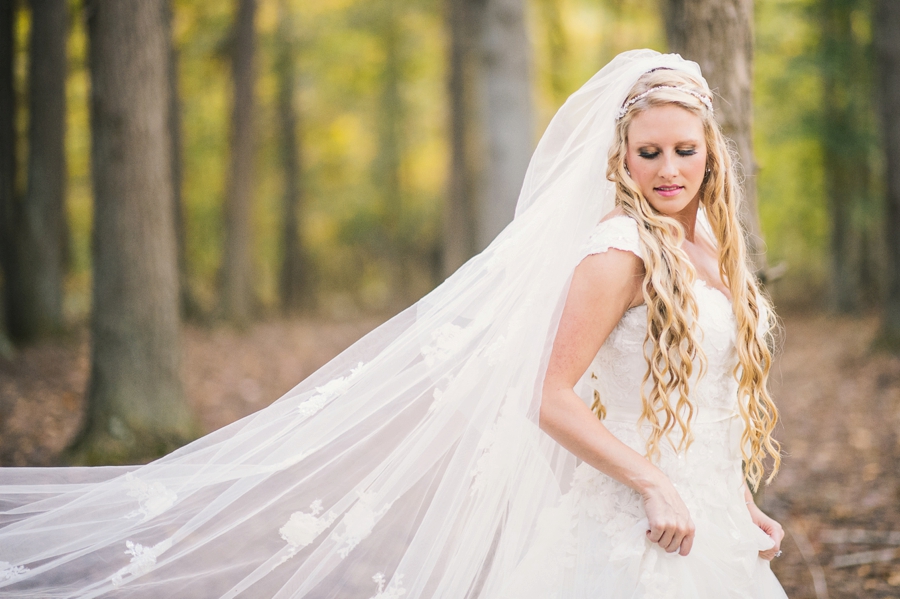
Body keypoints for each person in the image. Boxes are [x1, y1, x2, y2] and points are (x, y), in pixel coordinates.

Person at [0, 49, 787, 598]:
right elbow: (548, 396)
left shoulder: (709, 243)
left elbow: (705, 395)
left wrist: (728, 494)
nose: (669, 171)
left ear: (711, 153)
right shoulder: (620, 251)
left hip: (710, 518)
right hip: (636, 522)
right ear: (621, 157)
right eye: (649, 152)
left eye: (686, 150)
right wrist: (652, 482)